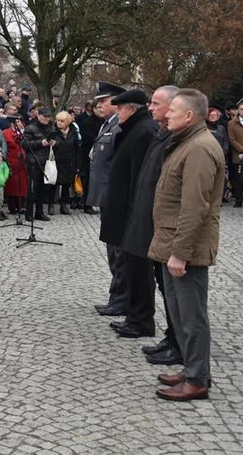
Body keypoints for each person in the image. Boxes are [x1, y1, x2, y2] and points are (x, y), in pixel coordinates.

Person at [149, 89, 224, 401]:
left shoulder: (199, 149)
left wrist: (180, 253)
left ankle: (196, 380)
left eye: (173, 111)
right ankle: (195, 369)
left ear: (190, 116)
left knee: (192, 317)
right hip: (171, 242)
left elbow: (195, 208)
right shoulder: (186, 143)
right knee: (180, 315)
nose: (167, 115)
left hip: (185, 250)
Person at [120, 86, 182, 368]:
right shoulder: (161, 134)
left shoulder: (174, 139)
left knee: (172, 289)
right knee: (164, 285)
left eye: (156, 103)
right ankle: (173, 338)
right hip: (148, 219)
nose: (151, 107)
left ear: (173, 108)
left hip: (163, 226)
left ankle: (178, 343)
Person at [98, 89, 158, 339]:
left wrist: (134, 211)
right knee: (129, 265)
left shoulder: (143, 131)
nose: (117, 112)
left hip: (133, 211)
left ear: (131, 109)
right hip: (124, 209)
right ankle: (133, 314)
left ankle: (140, 318)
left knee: (138, 268)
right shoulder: (135, 128)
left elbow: (140, 177)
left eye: (120, 108)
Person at [88, 81, 127, 317]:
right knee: (113, 251)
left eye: (102, 101)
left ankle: (121, 298)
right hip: (106, 197)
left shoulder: (120, 127)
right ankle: (117, 296)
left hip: (114, 196)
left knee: (118, 251)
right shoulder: (108, 125)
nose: (98, 105)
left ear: (115, 102)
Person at [22, 107, 57, 222]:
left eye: (48, 117)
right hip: (34, 161)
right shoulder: (30, 128)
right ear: (39, 115)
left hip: (46, 161)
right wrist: (40, 143)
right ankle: (29, 213)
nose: (47, 119)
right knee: (32, 189)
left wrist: (54, 143)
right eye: (45, 116)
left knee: (43, 189)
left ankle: (39, 212)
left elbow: (57, 142)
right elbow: (25, 144)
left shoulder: (51, 128)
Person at [51, 110, 81, 215]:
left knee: (66, 185)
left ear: (67, 122)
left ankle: (63, 206)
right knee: (53, 184)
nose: (59, 123)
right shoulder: (53, 131)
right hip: (56, 161)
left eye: (62, 121)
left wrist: (77, 164)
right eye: (58, 120)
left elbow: (77, 149)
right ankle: (51, 205)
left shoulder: (73, 132)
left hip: (69, 162)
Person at [1, 113, 29, 216]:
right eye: (16, 122)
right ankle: (12, 206)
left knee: (22, 185)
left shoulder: (25, 133)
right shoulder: (5, 133)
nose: (18, 124)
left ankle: (22, 206)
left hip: (23, 163)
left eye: (19, 121)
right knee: (12, 185)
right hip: (11, 162)